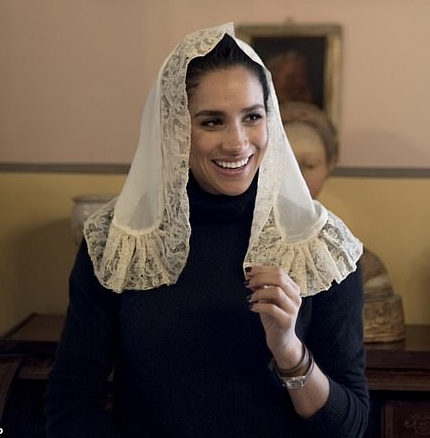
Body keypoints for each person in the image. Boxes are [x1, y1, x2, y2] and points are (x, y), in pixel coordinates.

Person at [45, 23, 368, 437]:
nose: (237, 143)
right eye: (212, 122)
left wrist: (290, 352)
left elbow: (352, 427)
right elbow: (71, 404)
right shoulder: (119, 241)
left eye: (252, 117)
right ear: (176, 129)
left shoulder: (320, 246)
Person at [279, 101, 405, 343]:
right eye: (288, 165)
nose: (298, 178)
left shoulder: (355, 261)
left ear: (330, 163)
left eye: (310, 165)